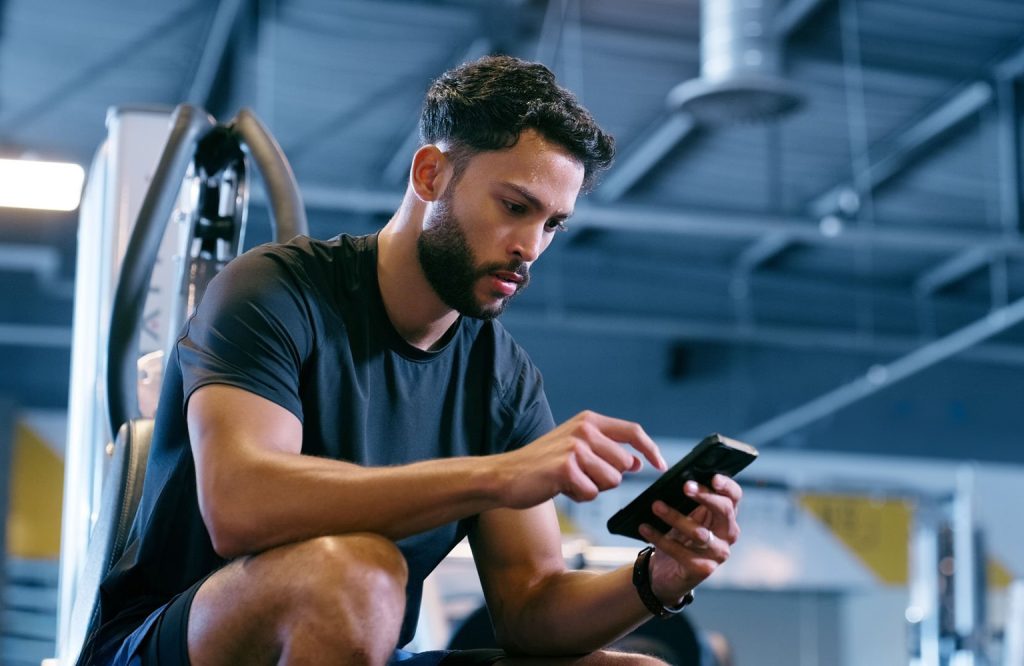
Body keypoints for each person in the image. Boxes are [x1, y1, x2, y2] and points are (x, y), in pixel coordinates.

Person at [81, 54, 743, 666]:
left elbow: (529, 605)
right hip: (172, 642)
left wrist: (654, 581)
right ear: (430, 174)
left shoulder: (502, 380)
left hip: (366, 644)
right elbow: (241, 505)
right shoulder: (274, 292)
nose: (530, 246)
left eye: (551, 224)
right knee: (354, 571)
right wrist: (495, 475)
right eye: (514, 207)